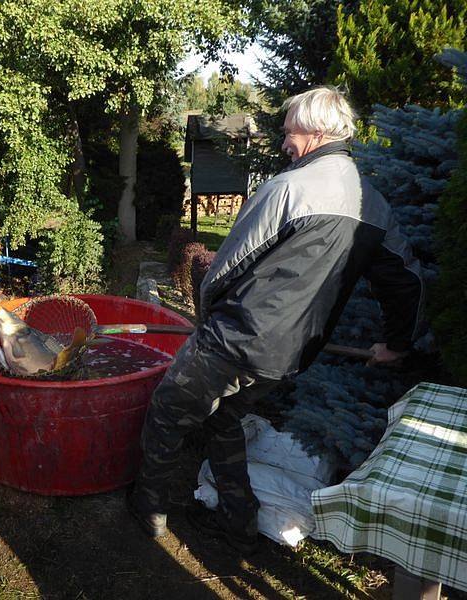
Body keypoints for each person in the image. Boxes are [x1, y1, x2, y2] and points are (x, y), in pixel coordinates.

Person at [127, 86, 425, 554]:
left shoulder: (287, 188)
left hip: (232, 344)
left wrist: (207, 323)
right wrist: (397, 344)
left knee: (167, 413)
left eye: (289, 130)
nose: (284, 140)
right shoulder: (373, 204)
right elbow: (406, 279)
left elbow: (225, 266)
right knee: (225, 420)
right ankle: (237, 521)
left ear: (316, 131)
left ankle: (149, 509)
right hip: (290, 357)